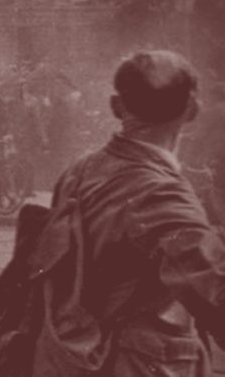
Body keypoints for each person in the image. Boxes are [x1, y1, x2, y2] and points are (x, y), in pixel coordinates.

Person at [30, 51, 225, 376]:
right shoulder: (162, 193)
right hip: (139, 365)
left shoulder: (80, 170)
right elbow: (214, 294)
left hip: (71, 360)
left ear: (116, 106)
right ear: (192, 109)